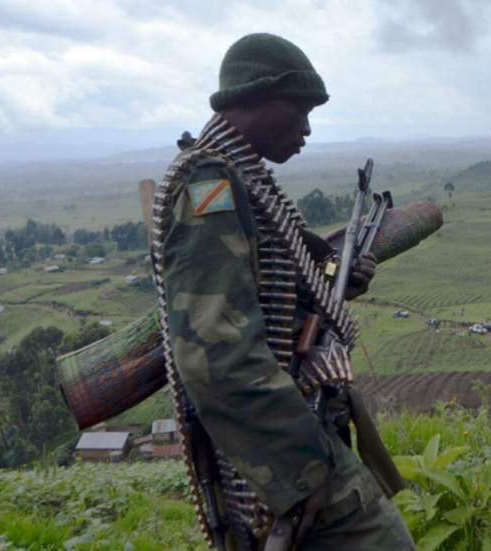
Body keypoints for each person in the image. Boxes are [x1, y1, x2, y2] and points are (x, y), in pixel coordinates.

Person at [157, 33, 415, 550]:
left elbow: (261, 297)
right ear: (253, 99)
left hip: (294, 425)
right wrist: (306, 471)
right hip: (281, 451)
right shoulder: (210, 184)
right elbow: (216, 352)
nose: (307, 129)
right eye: (298, 110)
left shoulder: (242, 180)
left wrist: (323, 292)